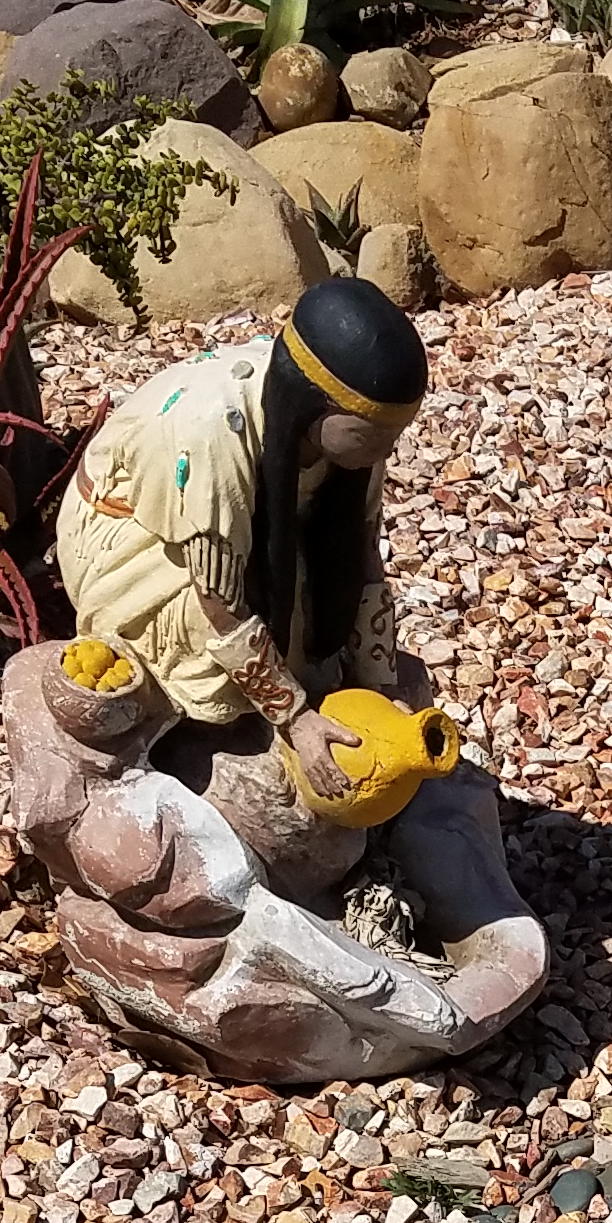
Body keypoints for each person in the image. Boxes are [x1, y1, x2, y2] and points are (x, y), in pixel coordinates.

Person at [57, 276, 431, 821]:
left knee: (314, 607)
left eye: (392, 435)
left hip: (250, 529)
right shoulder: (214, 431)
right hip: (141, 541)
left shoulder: (357, 446)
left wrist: (380, 685)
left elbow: (361, 554)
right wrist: (295, 716)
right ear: (316, 405)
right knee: (202, 638)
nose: (386, 450)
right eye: (371, 435)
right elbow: (218, 598)